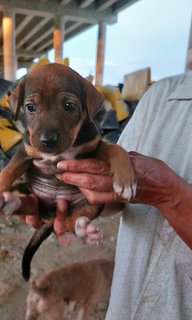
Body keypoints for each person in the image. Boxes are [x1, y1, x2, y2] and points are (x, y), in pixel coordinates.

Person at [54, 71, 192, 320]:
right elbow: (120, 192)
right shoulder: (162, 94)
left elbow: (143, 186)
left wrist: (172, 196)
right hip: (125, 306)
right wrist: (84, 196)